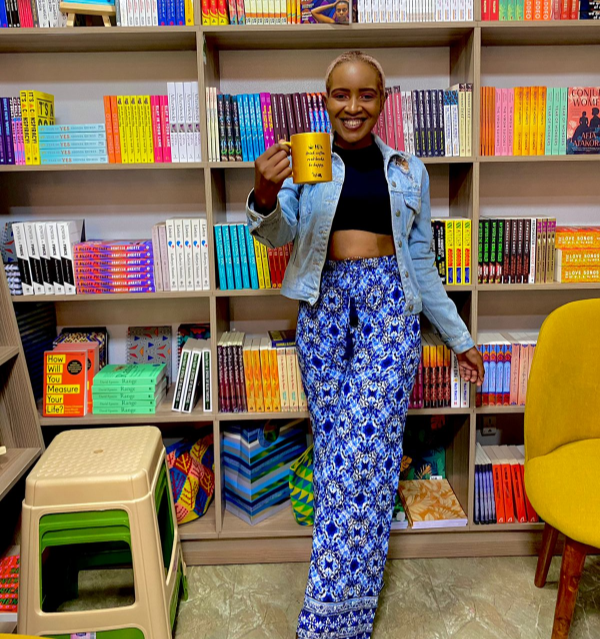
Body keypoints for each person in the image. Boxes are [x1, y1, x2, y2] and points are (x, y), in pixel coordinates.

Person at [246, 50, 484, 639]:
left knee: (366, 459)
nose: (353, 107)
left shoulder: (409, 171)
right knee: (337, 459)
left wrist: (459, 339)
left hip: (387, 310)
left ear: (383, 100)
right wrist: (263, 193)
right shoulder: (310, 162)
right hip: (324, 310)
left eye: (366, 95)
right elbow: (282, 237)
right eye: (340, 95)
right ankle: (346, 608)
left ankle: (327, 623)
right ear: (325, 100)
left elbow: (423, 263)